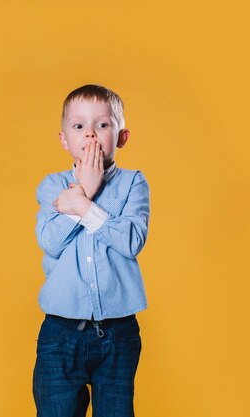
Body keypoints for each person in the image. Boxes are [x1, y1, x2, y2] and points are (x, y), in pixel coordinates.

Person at [32, 84, 151, 417]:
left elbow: (131, 241)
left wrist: (83, 204)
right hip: (60, 332)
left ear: (122, 136)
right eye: (79, 126)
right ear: (64, 139)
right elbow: (50, 241)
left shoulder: (133, 183)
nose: (91, 136)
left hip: (118, 332)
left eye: (102, 125)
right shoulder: (53, 186)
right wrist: (85, 186)